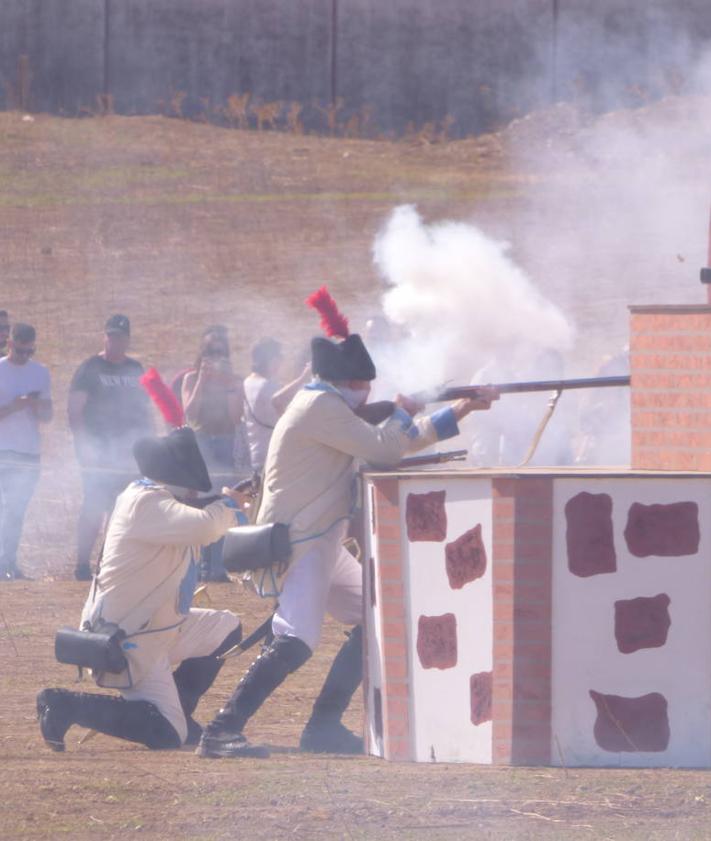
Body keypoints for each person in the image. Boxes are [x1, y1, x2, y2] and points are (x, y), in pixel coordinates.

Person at [197, 331, 498, 758]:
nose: (367, 393)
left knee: (374, 618)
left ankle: (323, 726)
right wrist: (403, 411)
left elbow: (399, 441)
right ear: (350, 383)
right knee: (296, 638)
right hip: (302, 541)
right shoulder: (320, 406)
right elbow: (386, 447)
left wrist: (463, 408)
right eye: (363, 386)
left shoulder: (327, 405)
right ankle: (222, 728)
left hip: (322, 538)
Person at [36, 425, 265, 754]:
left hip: (159, 627)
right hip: (129, 638)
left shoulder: (153, 500)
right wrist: (228, 503)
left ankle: (179, 713)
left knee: (226, 627)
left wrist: (228, 504)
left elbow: (203, 522)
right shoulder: (144, 501)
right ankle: (64, 704)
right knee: (167, 735)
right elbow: (203, 526)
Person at [68, 315, 153, 581]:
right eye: (110, 336)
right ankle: (82, 564)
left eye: (120, 336)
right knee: (93, 506)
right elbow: (75, 410)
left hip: (129, 454)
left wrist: (148, 446)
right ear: (104, 336)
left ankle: (110, 562)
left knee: (123, 508)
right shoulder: (90, 368)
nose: (115, 341)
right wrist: (84, 447)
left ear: (127, 339)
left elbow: (145, 410)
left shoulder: (135, 369)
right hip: (98, 453)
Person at [182, 326, 247, 581]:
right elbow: (190, 413)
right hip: (200, 443)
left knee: (224, 503)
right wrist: (202, 380)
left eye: (220, 350)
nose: (215, 355)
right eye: (210, 350)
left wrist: (228, 385)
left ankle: (217, 567)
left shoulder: (235, 381)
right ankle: (199, 566)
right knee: (201, 504)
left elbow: (235, 417)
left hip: (226, 441)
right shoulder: (190, 379)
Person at [0, 323, 52, 580]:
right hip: (2, 451)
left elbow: (48, 415)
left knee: (16, 511)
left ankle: (9, 562)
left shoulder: (40, 373)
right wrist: (16, 405)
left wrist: (36, 405)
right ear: (10, 344)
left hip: (29, 453)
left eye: (30, 352)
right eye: (20, 352)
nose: (25, 357)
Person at [243, 337, 311, 474]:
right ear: (271, 360)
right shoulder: (266, 386)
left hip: (258, 453)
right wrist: (303, 377)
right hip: (273, 454)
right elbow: (285, 403)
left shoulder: (248, 381)